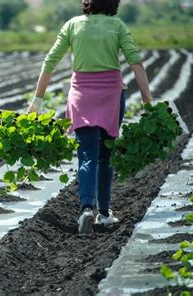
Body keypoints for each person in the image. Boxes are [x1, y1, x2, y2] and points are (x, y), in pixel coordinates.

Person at [27, 0, 153, 234]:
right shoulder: (117, 25)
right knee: (106, 156)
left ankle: (87, 208)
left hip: (82, 95)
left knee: (86, 154)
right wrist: (148, 101)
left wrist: (38, 99)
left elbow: (50, 62)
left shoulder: (73, 25)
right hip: (111, 95)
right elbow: (135, 62)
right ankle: (104, 214)